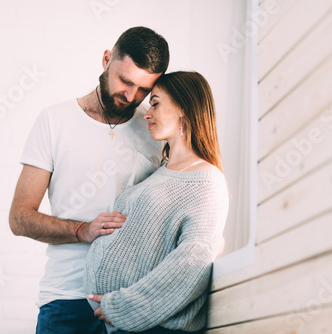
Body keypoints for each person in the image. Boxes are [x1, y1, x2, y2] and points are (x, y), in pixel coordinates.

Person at [9, 26, 170, 334]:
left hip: (132, 301)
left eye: (143, 90)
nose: (131, 96)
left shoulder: (155, 128)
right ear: (107, 59)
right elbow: (19, 217)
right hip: (67, 299)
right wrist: (82, 230)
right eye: (125, 81)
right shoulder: (55, 121)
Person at [84, 71, 229, 334]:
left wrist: (124, 307)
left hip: (155, 328)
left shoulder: (206, 180)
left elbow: (193, 259)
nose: (147, 113)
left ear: (184, 107)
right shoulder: (163, 171)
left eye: (155, 103)